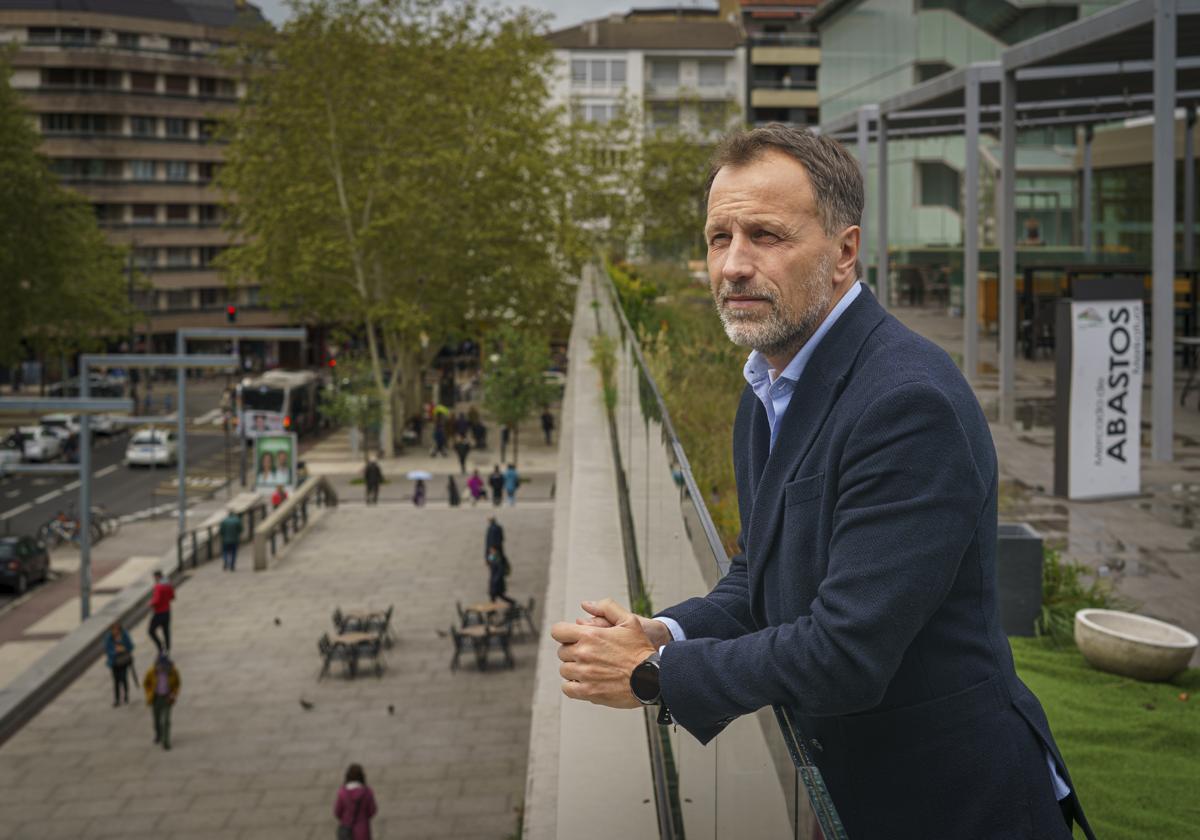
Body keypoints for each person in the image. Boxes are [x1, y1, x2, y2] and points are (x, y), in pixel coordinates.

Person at [550, 126, 1094, 840]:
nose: (734, 266)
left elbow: (846, 654)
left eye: (766, 235)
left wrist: (656, 674)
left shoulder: (907, 403)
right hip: (851, 793)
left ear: (844, 252)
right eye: (720, 238)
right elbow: (761, 575)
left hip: (955, 806)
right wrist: (663, 629)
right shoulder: (768, 386)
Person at [143, 651, 180, 750]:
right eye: (160, 665)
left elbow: (177, 684)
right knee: (157, 720)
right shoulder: (151, 672)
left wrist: (174, 694)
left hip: (167, 698)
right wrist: (149, 694)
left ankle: (166, 741)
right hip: (156, 698)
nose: (161, 668)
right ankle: (158, 734)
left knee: (166, 720)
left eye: (164, 666)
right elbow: (146, 683)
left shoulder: (172, 671)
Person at [334, 763, 377, 840]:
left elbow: (337, 812)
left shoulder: (342, 792)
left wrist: (346, 818)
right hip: (363, 830)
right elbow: (372, 810)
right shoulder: (367, 792)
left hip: (347, 829)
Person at [104, 622, 134, 706]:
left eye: (117, 629)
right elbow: (107, 649)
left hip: (123, 661)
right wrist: (115, 651)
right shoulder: (109, 638)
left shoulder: (124, 635)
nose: (115, 631)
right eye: (113, 629)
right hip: (115, 662)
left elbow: (131, 646)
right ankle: (117, 699)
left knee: (124, 678)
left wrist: (123, 648)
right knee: (116, 681)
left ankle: (126, 695)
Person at [148, 570, 173, 654]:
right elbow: (172, 596)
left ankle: (160, 646)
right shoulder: (168, 585)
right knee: (166, 630)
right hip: (167, 611)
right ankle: (168, 648)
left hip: (159, 612)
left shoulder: (158, 587)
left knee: (151, 631)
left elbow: (157, 600)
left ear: (157, 577)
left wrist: (150, 603)